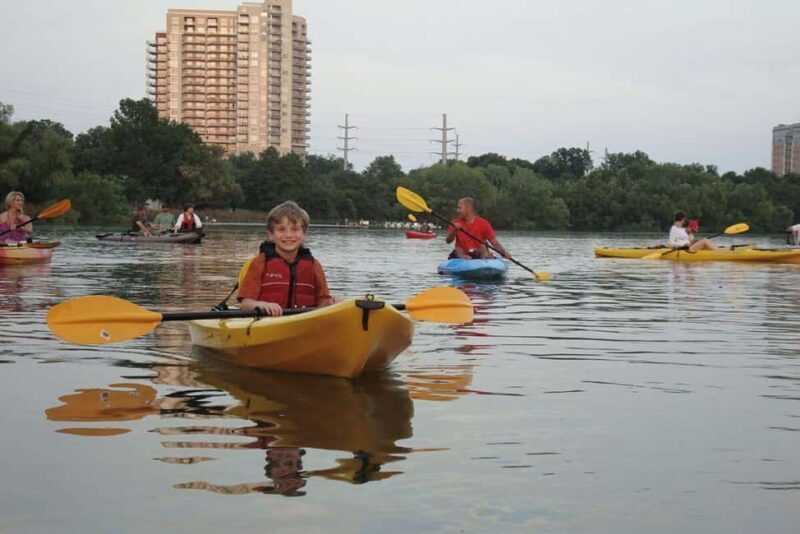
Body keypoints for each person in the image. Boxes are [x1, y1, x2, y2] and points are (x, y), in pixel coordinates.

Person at [237, 200, 340, 316]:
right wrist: (262, 305)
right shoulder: (259, 263)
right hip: (265, 323)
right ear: (271, 233)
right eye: (281, 229)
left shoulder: (313, 265)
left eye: (295, 229)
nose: (288, 235)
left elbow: (323, 303)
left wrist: (332, 302)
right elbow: (245, 304)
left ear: (304, 233)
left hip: (303, 323)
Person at [445, 197, 511, 259]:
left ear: (469, 208)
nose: (457, 210)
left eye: (459, 208)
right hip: (461, 253)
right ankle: (464, 258)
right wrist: (454, 230)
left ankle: (485, 257)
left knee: (483, 246)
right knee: (458, 249)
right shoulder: (455, 222)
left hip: (478, 252)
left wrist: (503, 252)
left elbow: (495, 243)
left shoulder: (483, 223)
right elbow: (448, 241)